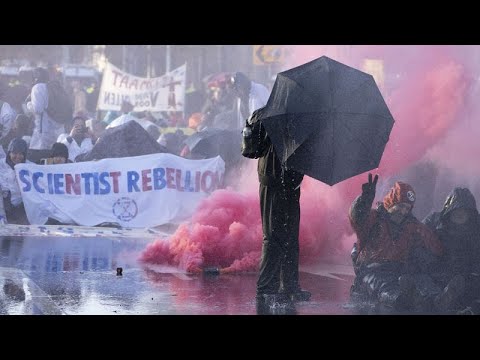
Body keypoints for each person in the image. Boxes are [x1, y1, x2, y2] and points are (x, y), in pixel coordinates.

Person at [349, 174, 443, 311]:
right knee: (383, 286)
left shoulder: (412, 225)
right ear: (390, 202)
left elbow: (434, 245)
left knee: (423, 280)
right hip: (372, 270)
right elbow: (357, 218)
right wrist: (363, 201)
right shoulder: (374, 219)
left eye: (407, 208)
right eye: (400, 206)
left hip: (400, 270)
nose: (403, 211)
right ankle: (402, 299)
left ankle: (438, 298)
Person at [250, 109, 311, 308]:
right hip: (273, 182)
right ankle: (266, 288)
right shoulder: (266, 115)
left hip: (291, 183)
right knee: (273, 235)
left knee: (291, 236)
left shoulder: (302, 117)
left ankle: (290, 286)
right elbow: (253, 149)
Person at [423, 187, 480, 314]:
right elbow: (419, 245)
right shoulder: (434, 223)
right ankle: (440, 300)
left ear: (470, 212)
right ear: (449, 210)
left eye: (464, 210)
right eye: (457, 209)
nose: (460, 213)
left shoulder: (476, 228)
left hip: (468, 276)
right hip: (439, 273)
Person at [26, 67, 65, 151]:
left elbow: (38, 109)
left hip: (42, 129)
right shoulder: (51, 87)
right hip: (55, 127)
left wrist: (28, 105)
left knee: (37, 153)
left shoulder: (38, 87)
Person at [0, 138, 30, 224]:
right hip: (3, 205)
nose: (17, 157)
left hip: (22, 209)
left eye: (21, 154)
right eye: (14, 153)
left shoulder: (30, 167)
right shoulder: (1, 165)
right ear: (9, 153)